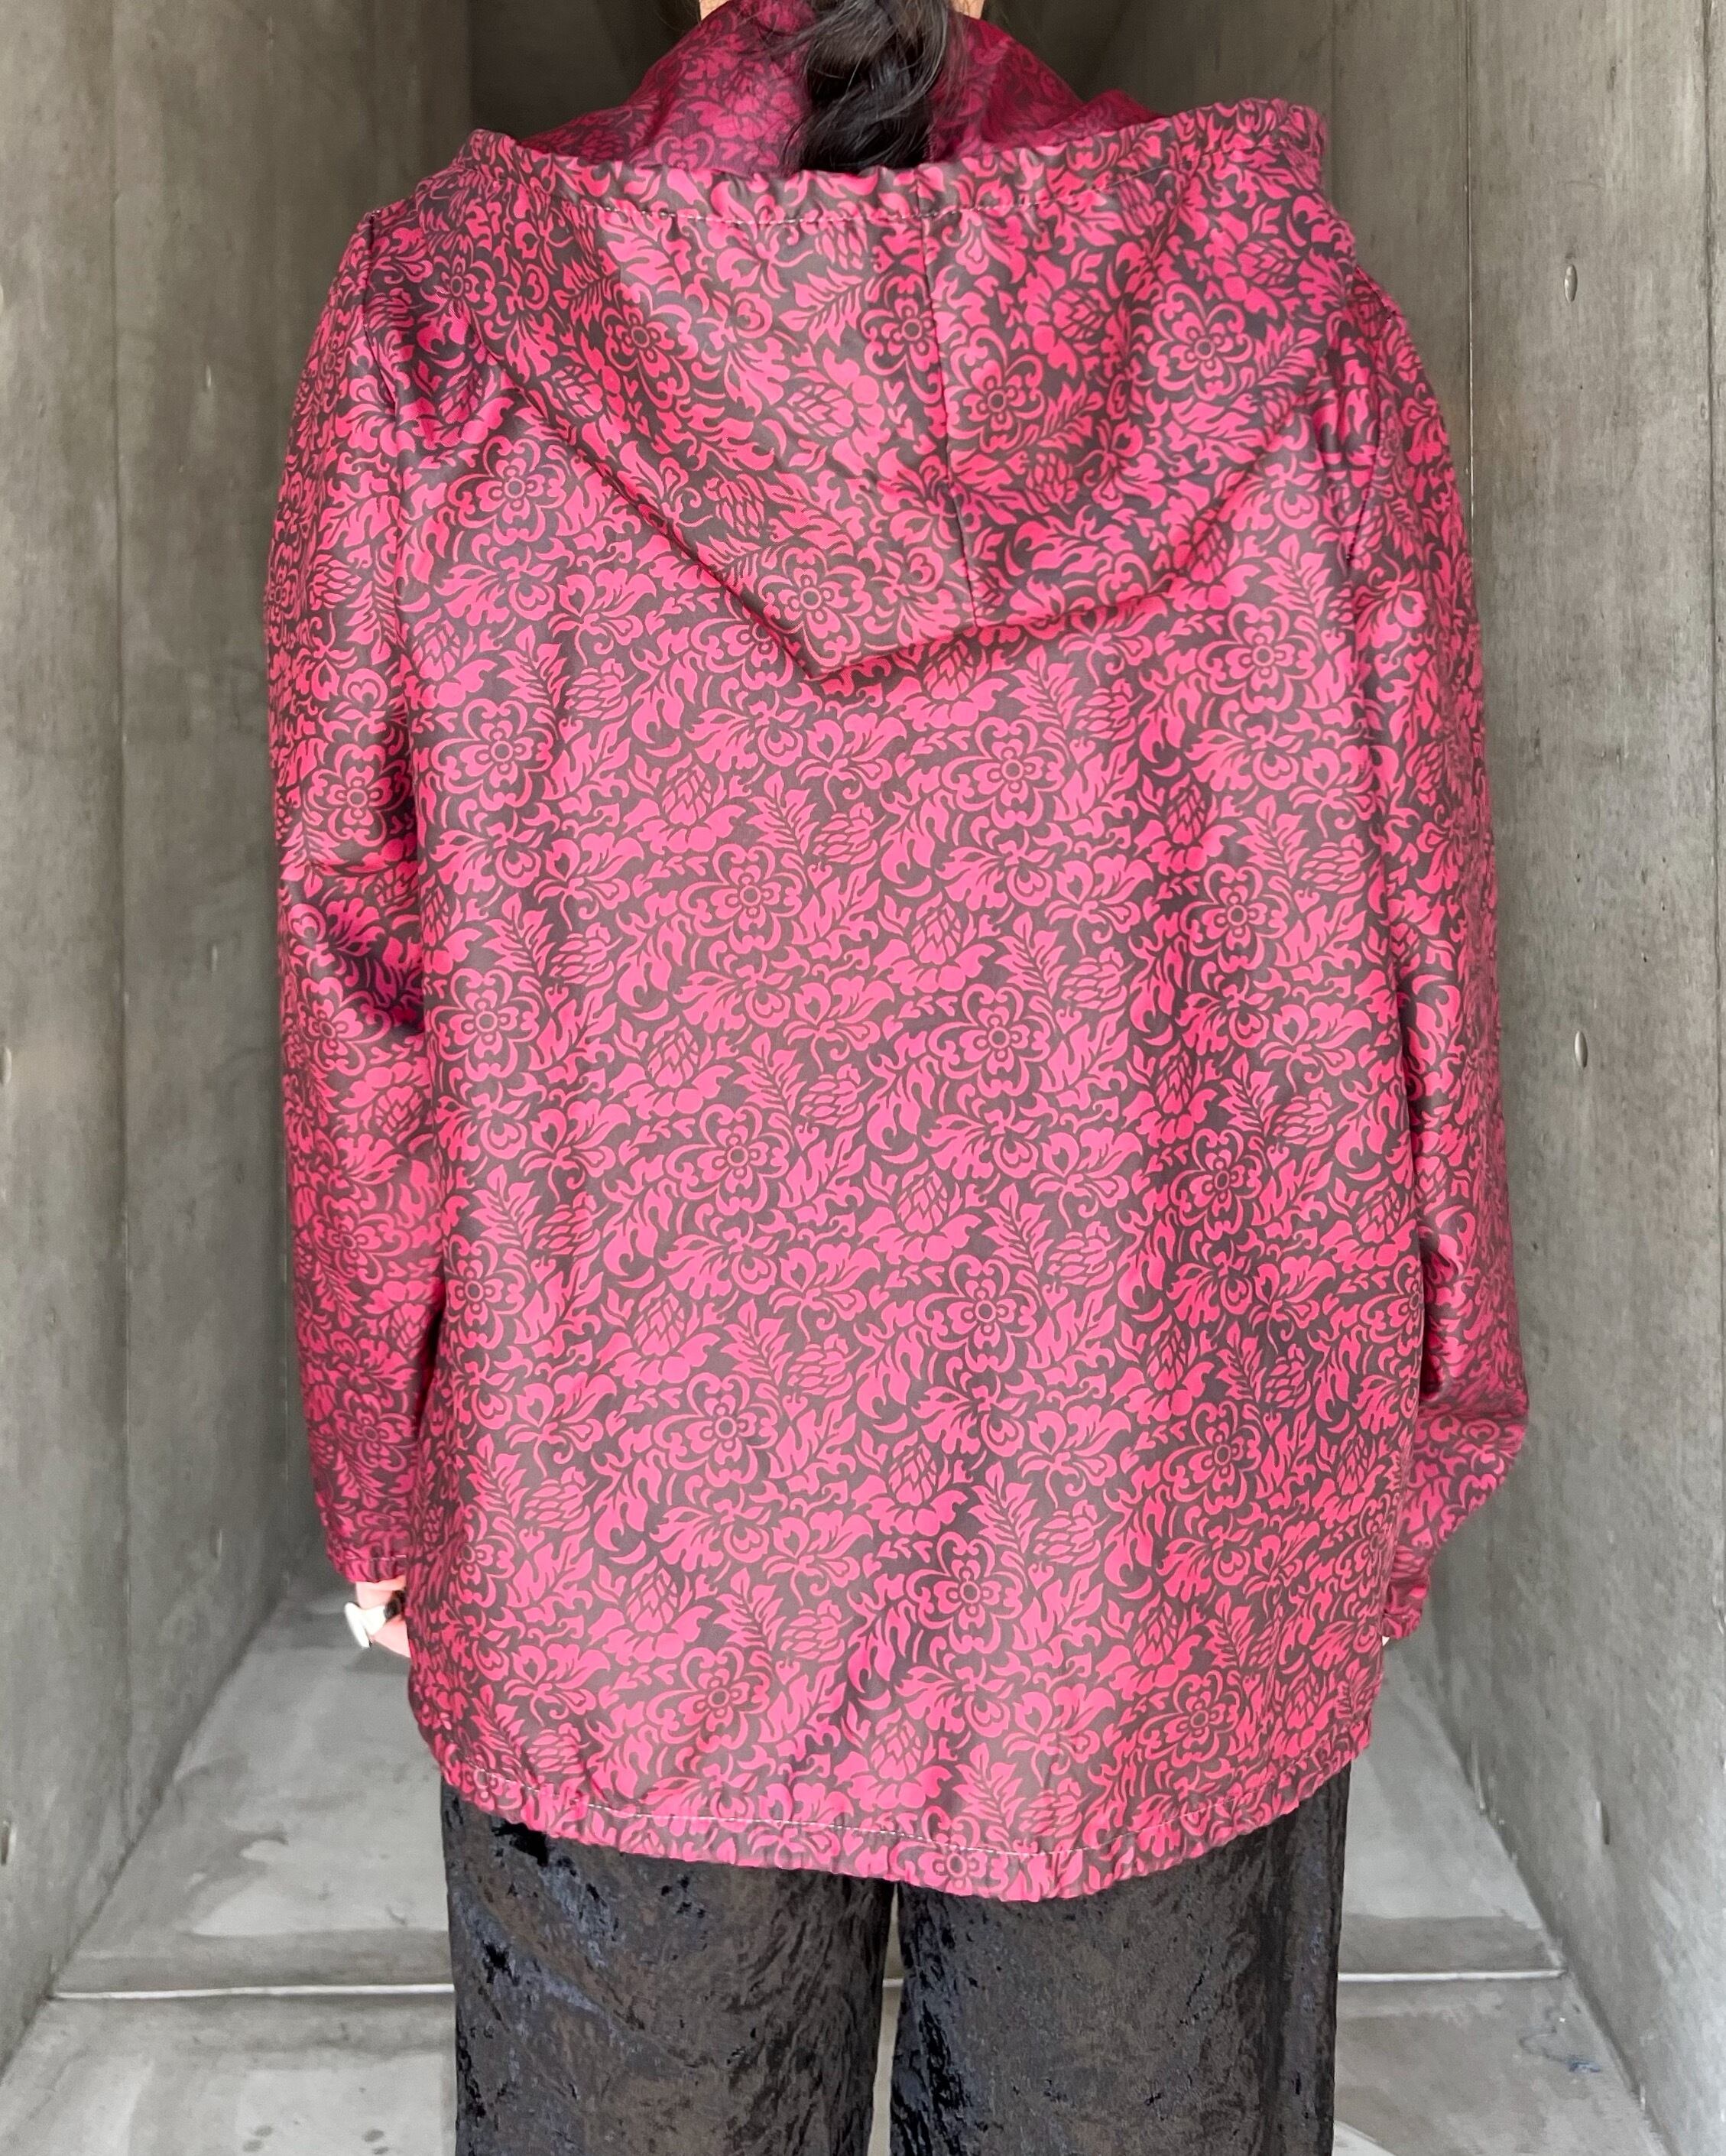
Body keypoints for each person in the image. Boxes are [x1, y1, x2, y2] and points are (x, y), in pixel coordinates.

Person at [265, 0, 1528, 2146]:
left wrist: (384, 1468)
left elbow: (356, 946)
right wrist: (1430, 1416)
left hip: (619, 1526)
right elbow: (1427, 895)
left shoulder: (443, 332)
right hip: (1148, 1530)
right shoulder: (1277, 316)